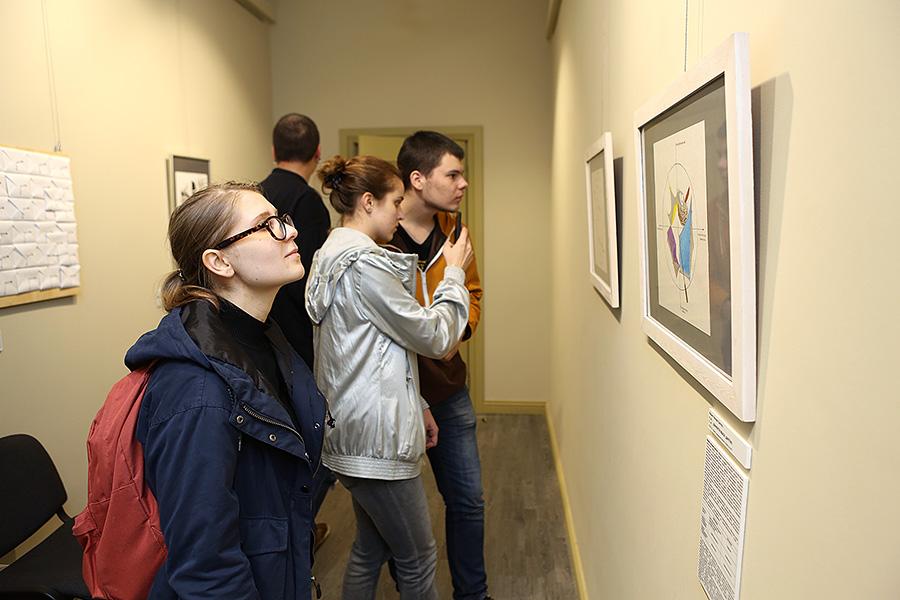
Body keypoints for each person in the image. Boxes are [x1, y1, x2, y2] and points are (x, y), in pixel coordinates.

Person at [128, 182, 327, 599]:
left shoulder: (263, 339)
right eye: (267, 225)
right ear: (219, 261)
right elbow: (206, 569)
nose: (290, 231)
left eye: (282, 219)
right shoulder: (196, 392)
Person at [305, 154, 473, 599]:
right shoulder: (364, 266)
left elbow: (370, 352)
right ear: (367, 202)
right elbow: (434, 336)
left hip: (352, 427)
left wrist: (419, 403)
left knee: (370, 548)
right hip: (375, 437)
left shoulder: (329, 255)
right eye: (396, 201)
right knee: (418, 558)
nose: (401, 211)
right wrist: (454, 274)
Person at [391, 131, 489, 600]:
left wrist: (459, 333)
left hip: (449, 390)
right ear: (418, 178)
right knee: (394, 514)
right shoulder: (379, 234)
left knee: (468, 501)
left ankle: (473, 594)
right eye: (452, 174)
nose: (462, 183)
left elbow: (473, 293)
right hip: (396, 396)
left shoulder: (455, 231)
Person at [259, 113, 335, 548]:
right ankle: (294, 534)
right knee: (311, 448)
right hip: (295, 343)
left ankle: (288, 532)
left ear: (274, 151)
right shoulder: (307, 203)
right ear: (317, 153)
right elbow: (312, 286)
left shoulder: (254, 197)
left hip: (259, 336)